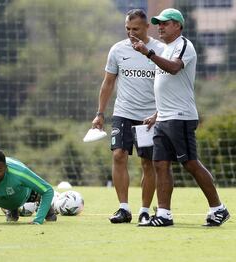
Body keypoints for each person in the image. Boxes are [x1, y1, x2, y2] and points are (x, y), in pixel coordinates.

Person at [131, 8, 230, 226]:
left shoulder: (184, 45)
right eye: (158, 23)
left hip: (181, 117)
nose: (160, 27)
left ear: (178, 25)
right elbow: (166, 87)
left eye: (165, 23)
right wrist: (157, 114)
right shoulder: (165, 49)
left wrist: (148, 53)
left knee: (190, 163)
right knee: (160, 164)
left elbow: (175, 69)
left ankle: (218, 209)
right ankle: (164, 215)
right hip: (164, 118)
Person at [92, 9, 165, 225]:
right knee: (118, 155)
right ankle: (124, 209)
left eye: (135, 29)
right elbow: (108, 82)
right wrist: (100, 113)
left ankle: (144, 211)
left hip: (149, 116)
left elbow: (168, 84)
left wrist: (159, 113)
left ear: (146, 28)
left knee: (147, 163)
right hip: (123, 112)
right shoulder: (117, 50)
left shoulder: (159, 49)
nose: (131, 33)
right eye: (127, 29)